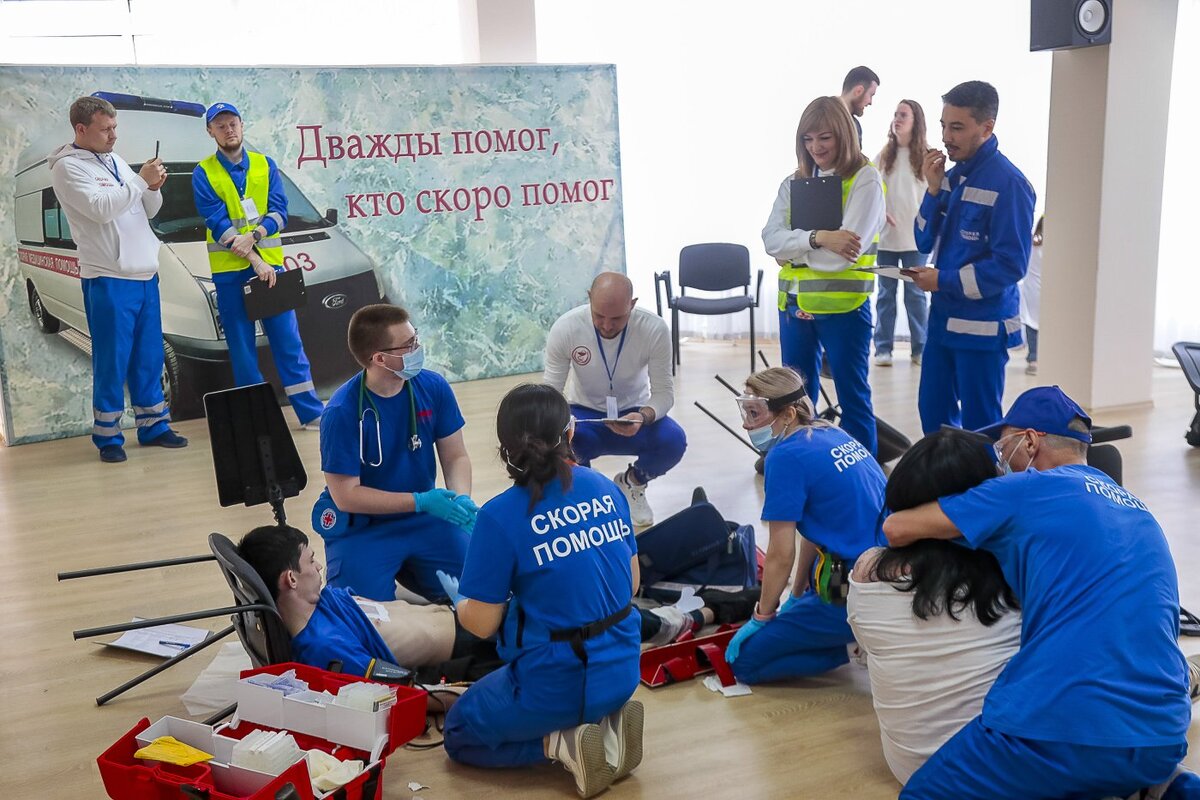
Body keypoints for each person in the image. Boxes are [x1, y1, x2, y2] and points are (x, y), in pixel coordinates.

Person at [883, 386, 1194, 800]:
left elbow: (896, 527)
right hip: (1164, 732)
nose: (999, 456)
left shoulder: (1023, 491)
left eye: (1003, 443)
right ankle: (1164, 787)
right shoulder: (1139, 508)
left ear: (1029, 441)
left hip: (1061, 731)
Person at [441, 384, 643, 798]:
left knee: (459, 731)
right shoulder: (606, 487)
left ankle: (558, 744)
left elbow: (481, 625)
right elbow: (634, 582)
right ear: (570, 434)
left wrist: (462, 599)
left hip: (560, 680)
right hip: (625, 665)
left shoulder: (498, 516)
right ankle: (603, 726)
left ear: (504, 450)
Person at [847, 428, 1021, 785]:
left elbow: (866, 646)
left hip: (913, 769)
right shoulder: (1014, 573)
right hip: (1005, 766)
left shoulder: (867, 574)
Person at [723, 367, 886, 685]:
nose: (746, 423)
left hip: (855, 588)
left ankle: (857, 645)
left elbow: (780, 554)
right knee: (803, 606)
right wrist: (796, 593)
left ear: (786, 414)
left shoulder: (784, 457)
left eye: (755, 413)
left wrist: (763, 615)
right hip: (878, 572)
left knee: (744, 663)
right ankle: (854, 632)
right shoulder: (831, 431)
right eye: (745, 411)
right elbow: (813, 531)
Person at [49, 95, 189, 463]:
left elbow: (147, 210)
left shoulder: (113, 161)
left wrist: (153, 187)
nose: (113, 136)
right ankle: (108, 436)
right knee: (112, 359)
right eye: (105, 129)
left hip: (145, 274)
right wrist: (140, 182)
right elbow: (101, 209)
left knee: (149, 355)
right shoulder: (67, 168)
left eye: (115, 128)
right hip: (109, 277)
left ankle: (154, 426)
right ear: (81, 129)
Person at [314, 303, 475, 603]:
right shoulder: (341, 412)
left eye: (416, 339)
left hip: (425, 515)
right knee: (360, 615)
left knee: (480, 588)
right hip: (364, 526)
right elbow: (346, 495)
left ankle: (416, 590)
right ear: (379, 358)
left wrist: (460, 499)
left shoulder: (433, 387)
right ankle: (399, 589)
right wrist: (420, 500)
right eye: (409, 345)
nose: (418, 349)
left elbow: (455, 456)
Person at [909, 81, 1036, 434]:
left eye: (958, 127)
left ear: (987, 127)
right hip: (942, 324)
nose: (947, 137)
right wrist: (932, 190)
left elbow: (1011, 266)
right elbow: (921, 238)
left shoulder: (1010, 185)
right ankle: (944, 486)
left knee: (981, 426)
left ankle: (982, 489)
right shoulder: (949, 176)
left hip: (982, 329)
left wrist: (942, 280)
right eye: (944, 125)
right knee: (933, 415)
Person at [762, 96, 887, 456]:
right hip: (794, 307)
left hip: (844, 309)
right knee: (794, 400)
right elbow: (771, 241)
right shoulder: (795, 180)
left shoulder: (865, 179)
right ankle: (805, 468)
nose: (815, 147)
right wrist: (819, 238)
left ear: (844, 136)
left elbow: (842, 259)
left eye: (825, 138)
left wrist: (795, 250)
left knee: (854, 398)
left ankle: (863, 480)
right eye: (808, 139)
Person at [191, 101, 324, 429]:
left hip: (271, 270)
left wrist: (257, 237)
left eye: (232, 122)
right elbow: (218, 223)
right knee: (242, 347)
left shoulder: (266, 165)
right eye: (220, 125)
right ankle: (257, 418)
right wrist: (253, 257)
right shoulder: (203, 172)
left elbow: (280, 210)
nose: (228, 129)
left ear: (241, 124)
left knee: (288, 343)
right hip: (230, 273)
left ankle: (311, 413)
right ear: (210, 131)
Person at [237, 523, 500, 678]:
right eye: (310, 560)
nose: (318, 566)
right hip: (474, 644)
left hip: (459, 612)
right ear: (291, 580)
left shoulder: (322, 599)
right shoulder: (324, 645)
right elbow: (392, 685)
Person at [543, 272, 685, 527]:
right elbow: (550, 392)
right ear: (589, 299)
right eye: (599, 316)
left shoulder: (653, 328)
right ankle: (590, 492)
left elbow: (664, 393)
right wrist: (563, 422)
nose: (607, 325)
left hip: (635, 415)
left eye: (617, 318)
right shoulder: (566, 327)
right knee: (553, 441)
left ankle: (632, 482)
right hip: (584, 416)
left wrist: (643, 416)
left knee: (674, 440)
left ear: (632, 304)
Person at [873, 100, 932, 367]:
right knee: (885, 295)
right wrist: (880, 211)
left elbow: (937, 195)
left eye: (903, 115)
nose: (897, 119)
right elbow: (870, 190)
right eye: (895, 114)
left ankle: (920, 348)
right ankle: (883, 349)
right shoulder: (884, 156)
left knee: (916, 296)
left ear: (915, 121)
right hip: (887, 239)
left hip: (916, 240)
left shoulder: (928, 157)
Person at [1020, 215, 1044, 376]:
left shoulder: (1031, 245)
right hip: (1039, 289)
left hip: (1031, 289)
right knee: (1036, 323)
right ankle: (1036, 357)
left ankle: (1034, 358)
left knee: (1031, 323)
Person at [839, 66, 880, 148]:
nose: (870, 102)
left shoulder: (855, 125)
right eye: (871, 95)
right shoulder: (822, 116)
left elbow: (857, 160)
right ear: (859, 91)